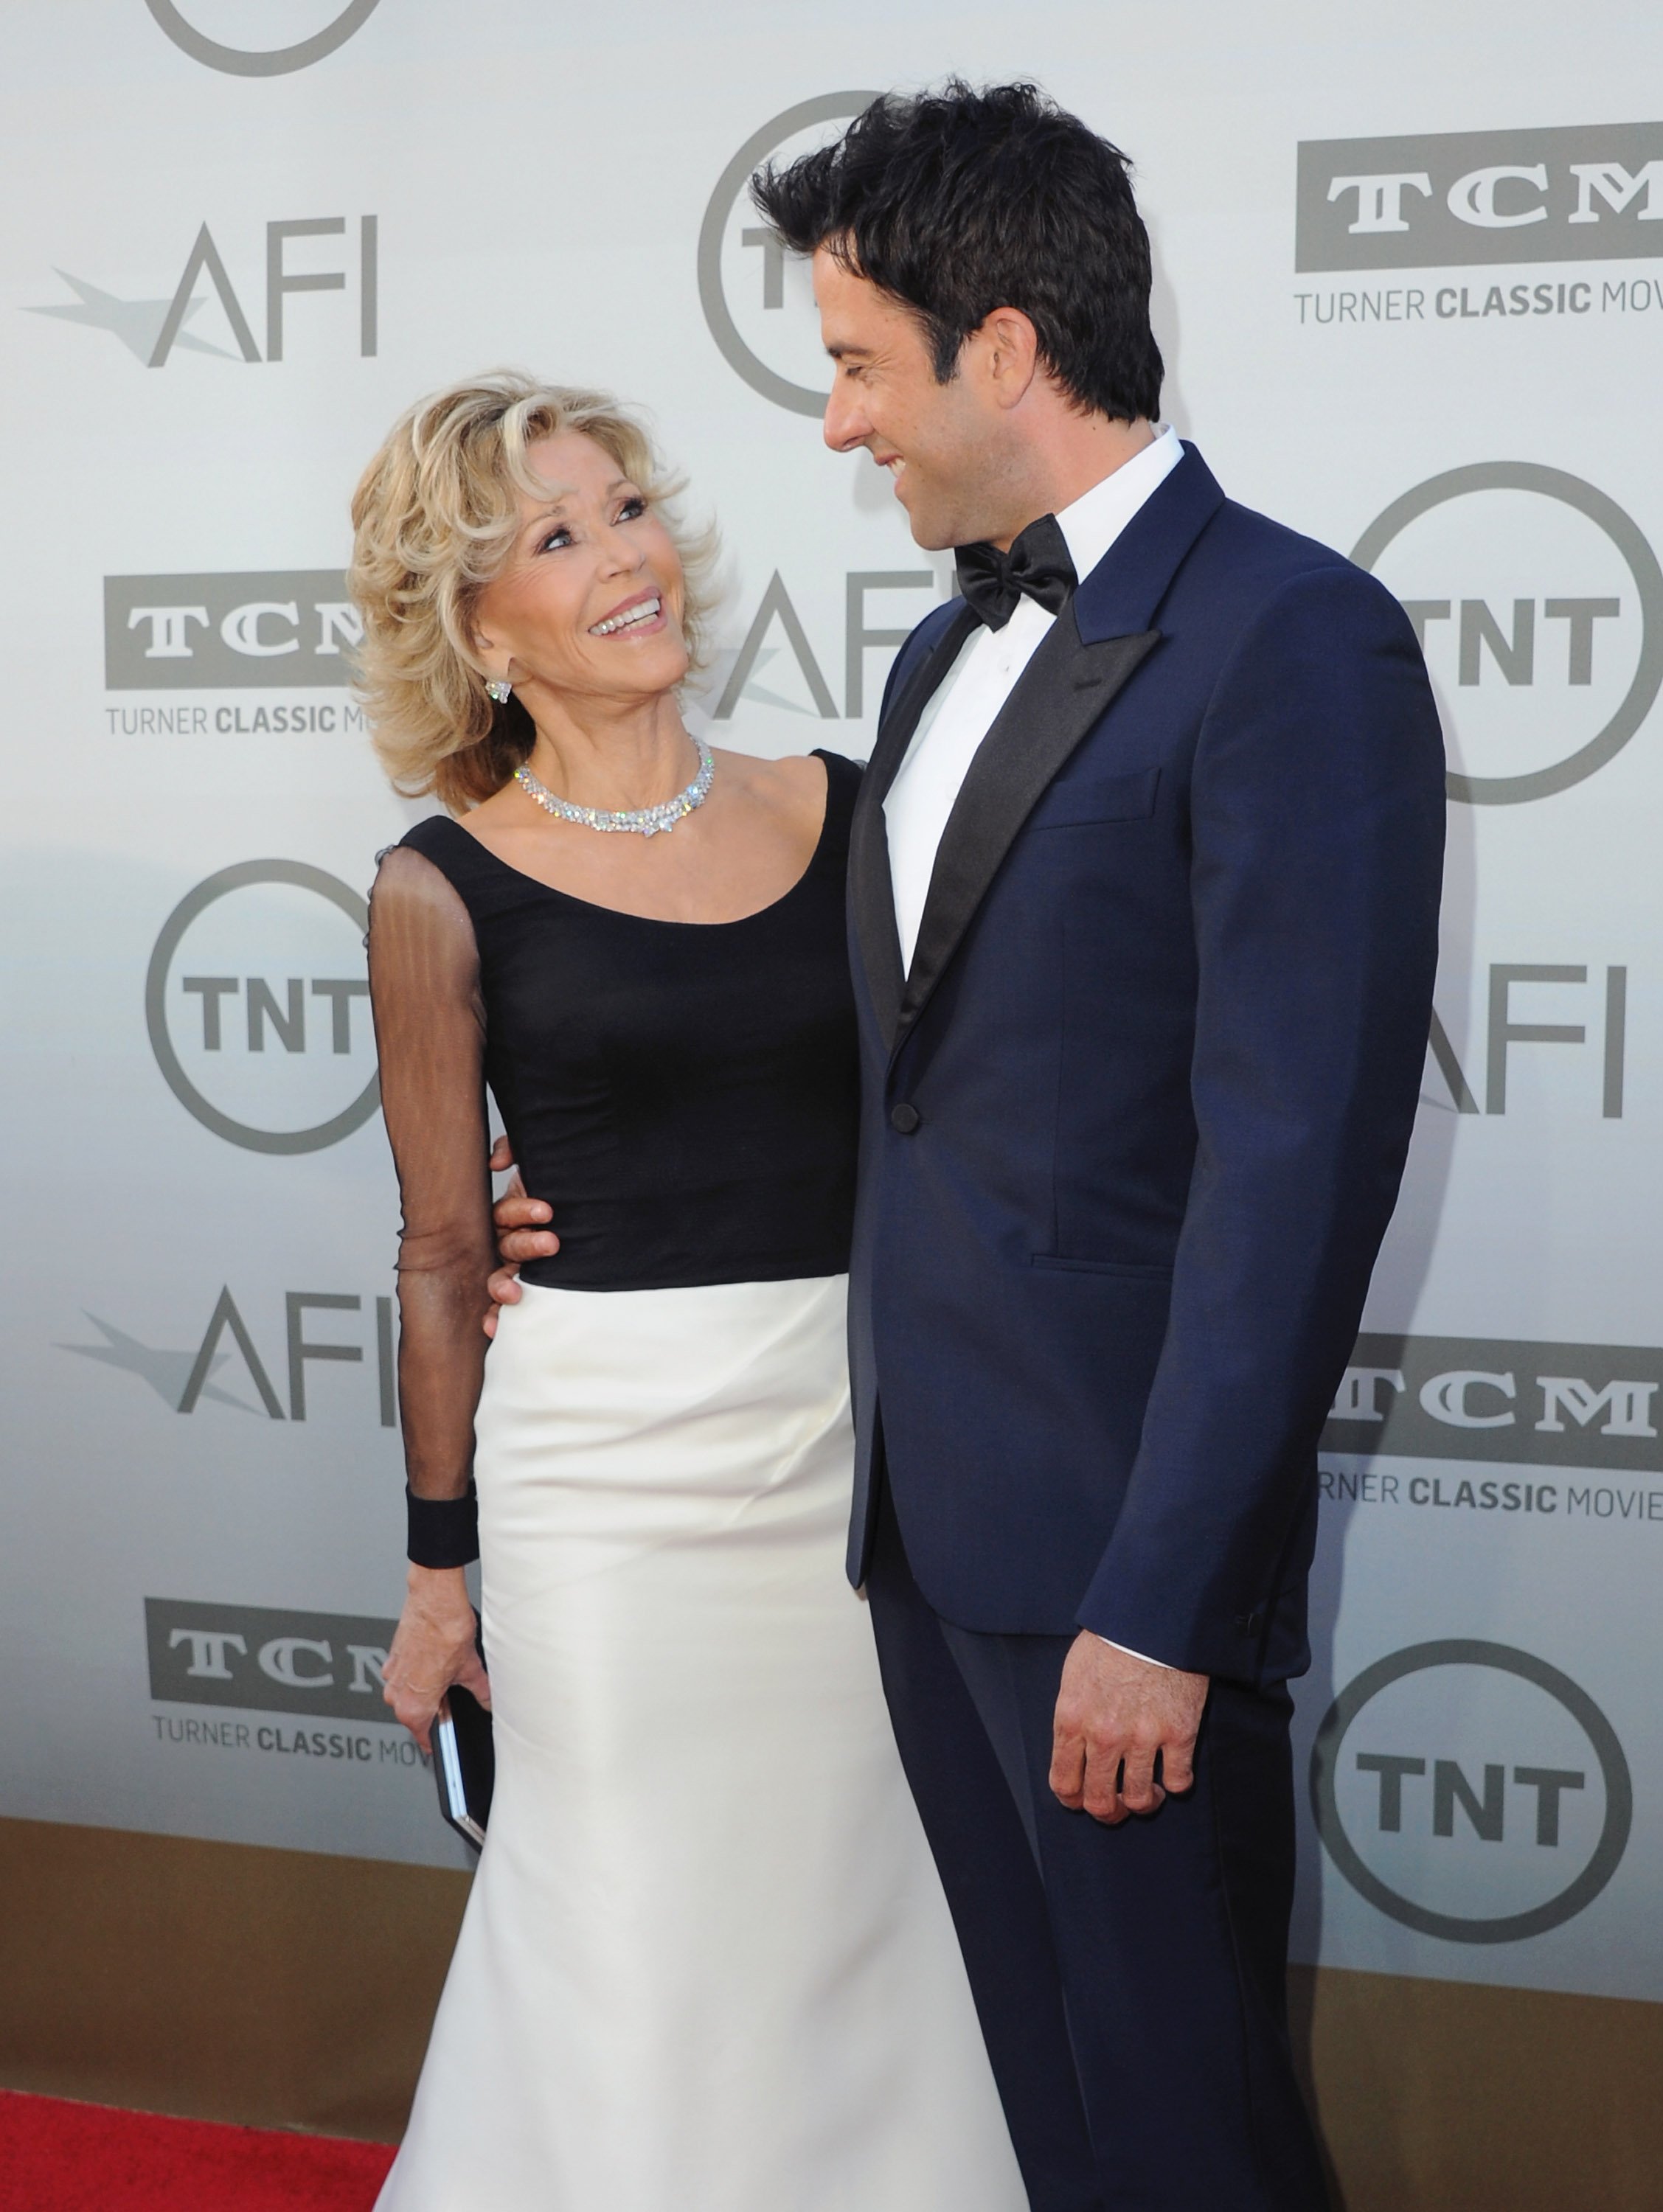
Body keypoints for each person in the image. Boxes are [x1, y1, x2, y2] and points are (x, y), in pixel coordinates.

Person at [490, 82, 1448, 2212]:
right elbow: (915, 1078)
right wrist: (580, 1202)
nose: (836, 427)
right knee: (1056, 2124)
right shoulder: (938, 651)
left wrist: (1164, 1604)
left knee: (1190, 2137)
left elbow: (1293, 1177)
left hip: (1120, 1575)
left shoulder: (1294, 644)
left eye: (855, 366)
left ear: (1003, 347)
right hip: (922, 1538)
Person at [353, 374, 1025, 2212]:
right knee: (634, 1921)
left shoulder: (850, 804)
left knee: (867, 1902)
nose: (625, 558)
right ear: (475, 625)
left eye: (626, 508)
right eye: (553, 539)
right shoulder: (438, 889)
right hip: (606, 1484)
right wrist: (436, 1571)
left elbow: (975, 1104)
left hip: (859, 1440)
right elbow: (436, 1251)